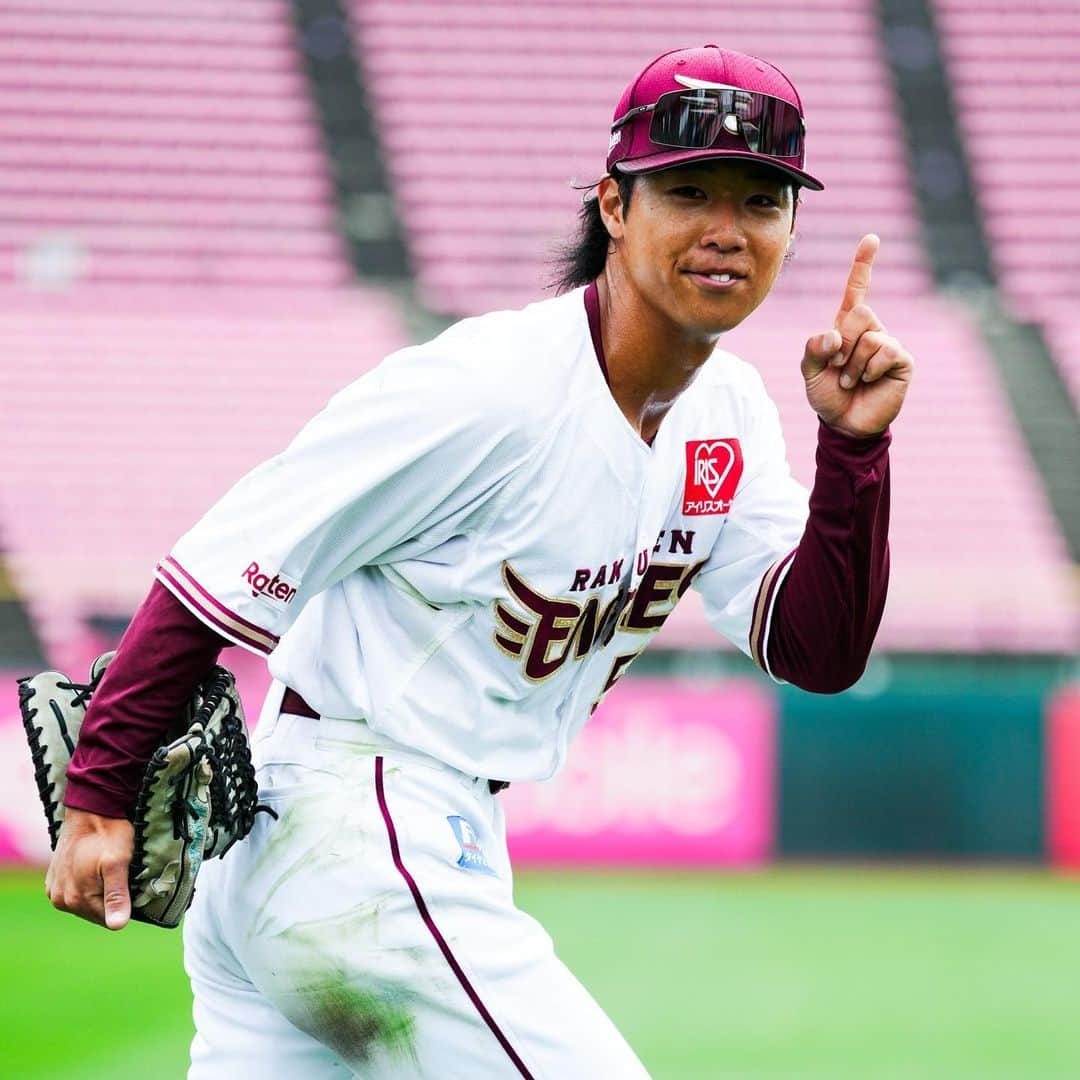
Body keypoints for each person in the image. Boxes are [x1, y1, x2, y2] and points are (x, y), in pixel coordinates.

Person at [45, 44, 913, 1078]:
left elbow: (814, 647)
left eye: (762, 201)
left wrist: (854, 450)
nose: (727, 229)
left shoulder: (728, 415)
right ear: (614, 207)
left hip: (392, 843)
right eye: (688, 191)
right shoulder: (487, 388)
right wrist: (102, 788)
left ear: (792, 228)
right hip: (352, 821)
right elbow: (228, 564)